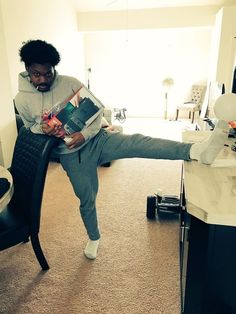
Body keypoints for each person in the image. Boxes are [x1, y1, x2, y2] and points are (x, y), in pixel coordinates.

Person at [14, 39, 231, 260]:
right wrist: (41, 128)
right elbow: (30, 127)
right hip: (71, 156)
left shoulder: (70, 82)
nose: (42, 79)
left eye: (48, 74)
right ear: (27, 70)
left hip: (98, 140)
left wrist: (84, 134)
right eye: (36, 74)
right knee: (86, 197)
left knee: (139, 142)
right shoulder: (21, 99)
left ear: (54, 69)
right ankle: (94, 237)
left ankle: (195, 151)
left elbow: (97, 113)